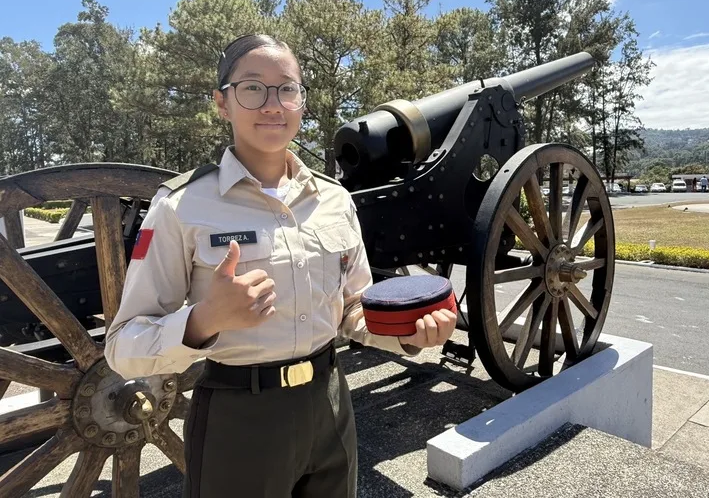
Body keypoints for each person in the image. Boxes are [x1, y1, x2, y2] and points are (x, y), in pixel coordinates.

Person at [104, 34, 458, 498]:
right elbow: (123, 347)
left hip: (331, 404)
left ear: (301, 103)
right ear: (222, 103)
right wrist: (206, 318)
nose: (272, 103)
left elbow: (353, 309)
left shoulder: (334, 200)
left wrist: (407, 334)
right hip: (240, 418)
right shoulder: (180, 207)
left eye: (286, 88)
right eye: (252, 88)